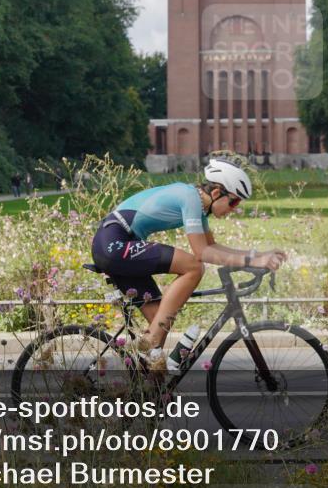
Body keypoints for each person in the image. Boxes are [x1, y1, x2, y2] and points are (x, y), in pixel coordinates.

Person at [90, 159, 286, 370]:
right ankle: (151, 344)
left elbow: (212, 246)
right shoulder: (190, 198)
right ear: (218, 192)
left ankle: (147, 389)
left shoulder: (199, 205)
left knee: (161, 321)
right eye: (234, 202)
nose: (234, 209)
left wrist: (257, 255)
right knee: (193, 266)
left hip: (120, 245)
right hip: (114, 243)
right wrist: (254, 260)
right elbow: (202, 253)